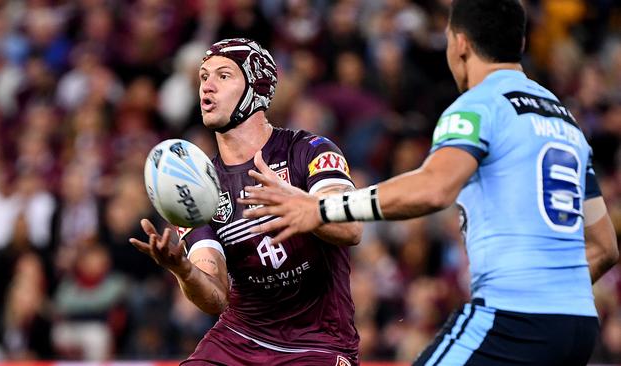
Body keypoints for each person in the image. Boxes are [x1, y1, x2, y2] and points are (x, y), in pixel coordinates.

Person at [240, 1, 619, 365]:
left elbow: (434, 187)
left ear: (460, 43)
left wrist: (321, 208)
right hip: (577, 322)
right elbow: (604, 248)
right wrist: (552, 298)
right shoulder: (565, 120)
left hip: (513, 316)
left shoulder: (479, 104)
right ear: (519, 44)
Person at [129, 38, 362, 365]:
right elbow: (216, 297)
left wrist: (296, 205)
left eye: (223, 76)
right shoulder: (197, 187)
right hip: (240, 338)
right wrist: (182, 269)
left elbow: (351, 229)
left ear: (256, 88)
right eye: (203, 77)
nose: (206, 87)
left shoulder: (310, 150)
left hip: (318, 343)